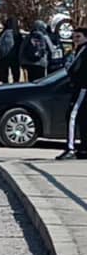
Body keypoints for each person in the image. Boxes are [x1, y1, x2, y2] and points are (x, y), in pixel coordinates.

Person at [56, 28, 87, 160]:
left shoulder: (83, 51)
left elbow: (73, 69)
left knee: (72, 116)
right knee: (83, 118)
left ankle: (70, 148)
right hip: (81, 87)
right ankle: (84, 148)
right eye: (74, 37)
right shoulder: (79, 50)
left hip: (83, 87)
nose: (75, 40)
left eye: (78, 37)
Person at [0, 17, 22, 84]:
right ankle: (16, 85)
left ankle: (5, 85)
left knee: (4, 74)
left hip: (3, 58)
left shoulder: (2, 34)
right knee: (16, 73)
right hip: (15, 58)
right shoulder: (17, 34)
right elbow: (21, 47)